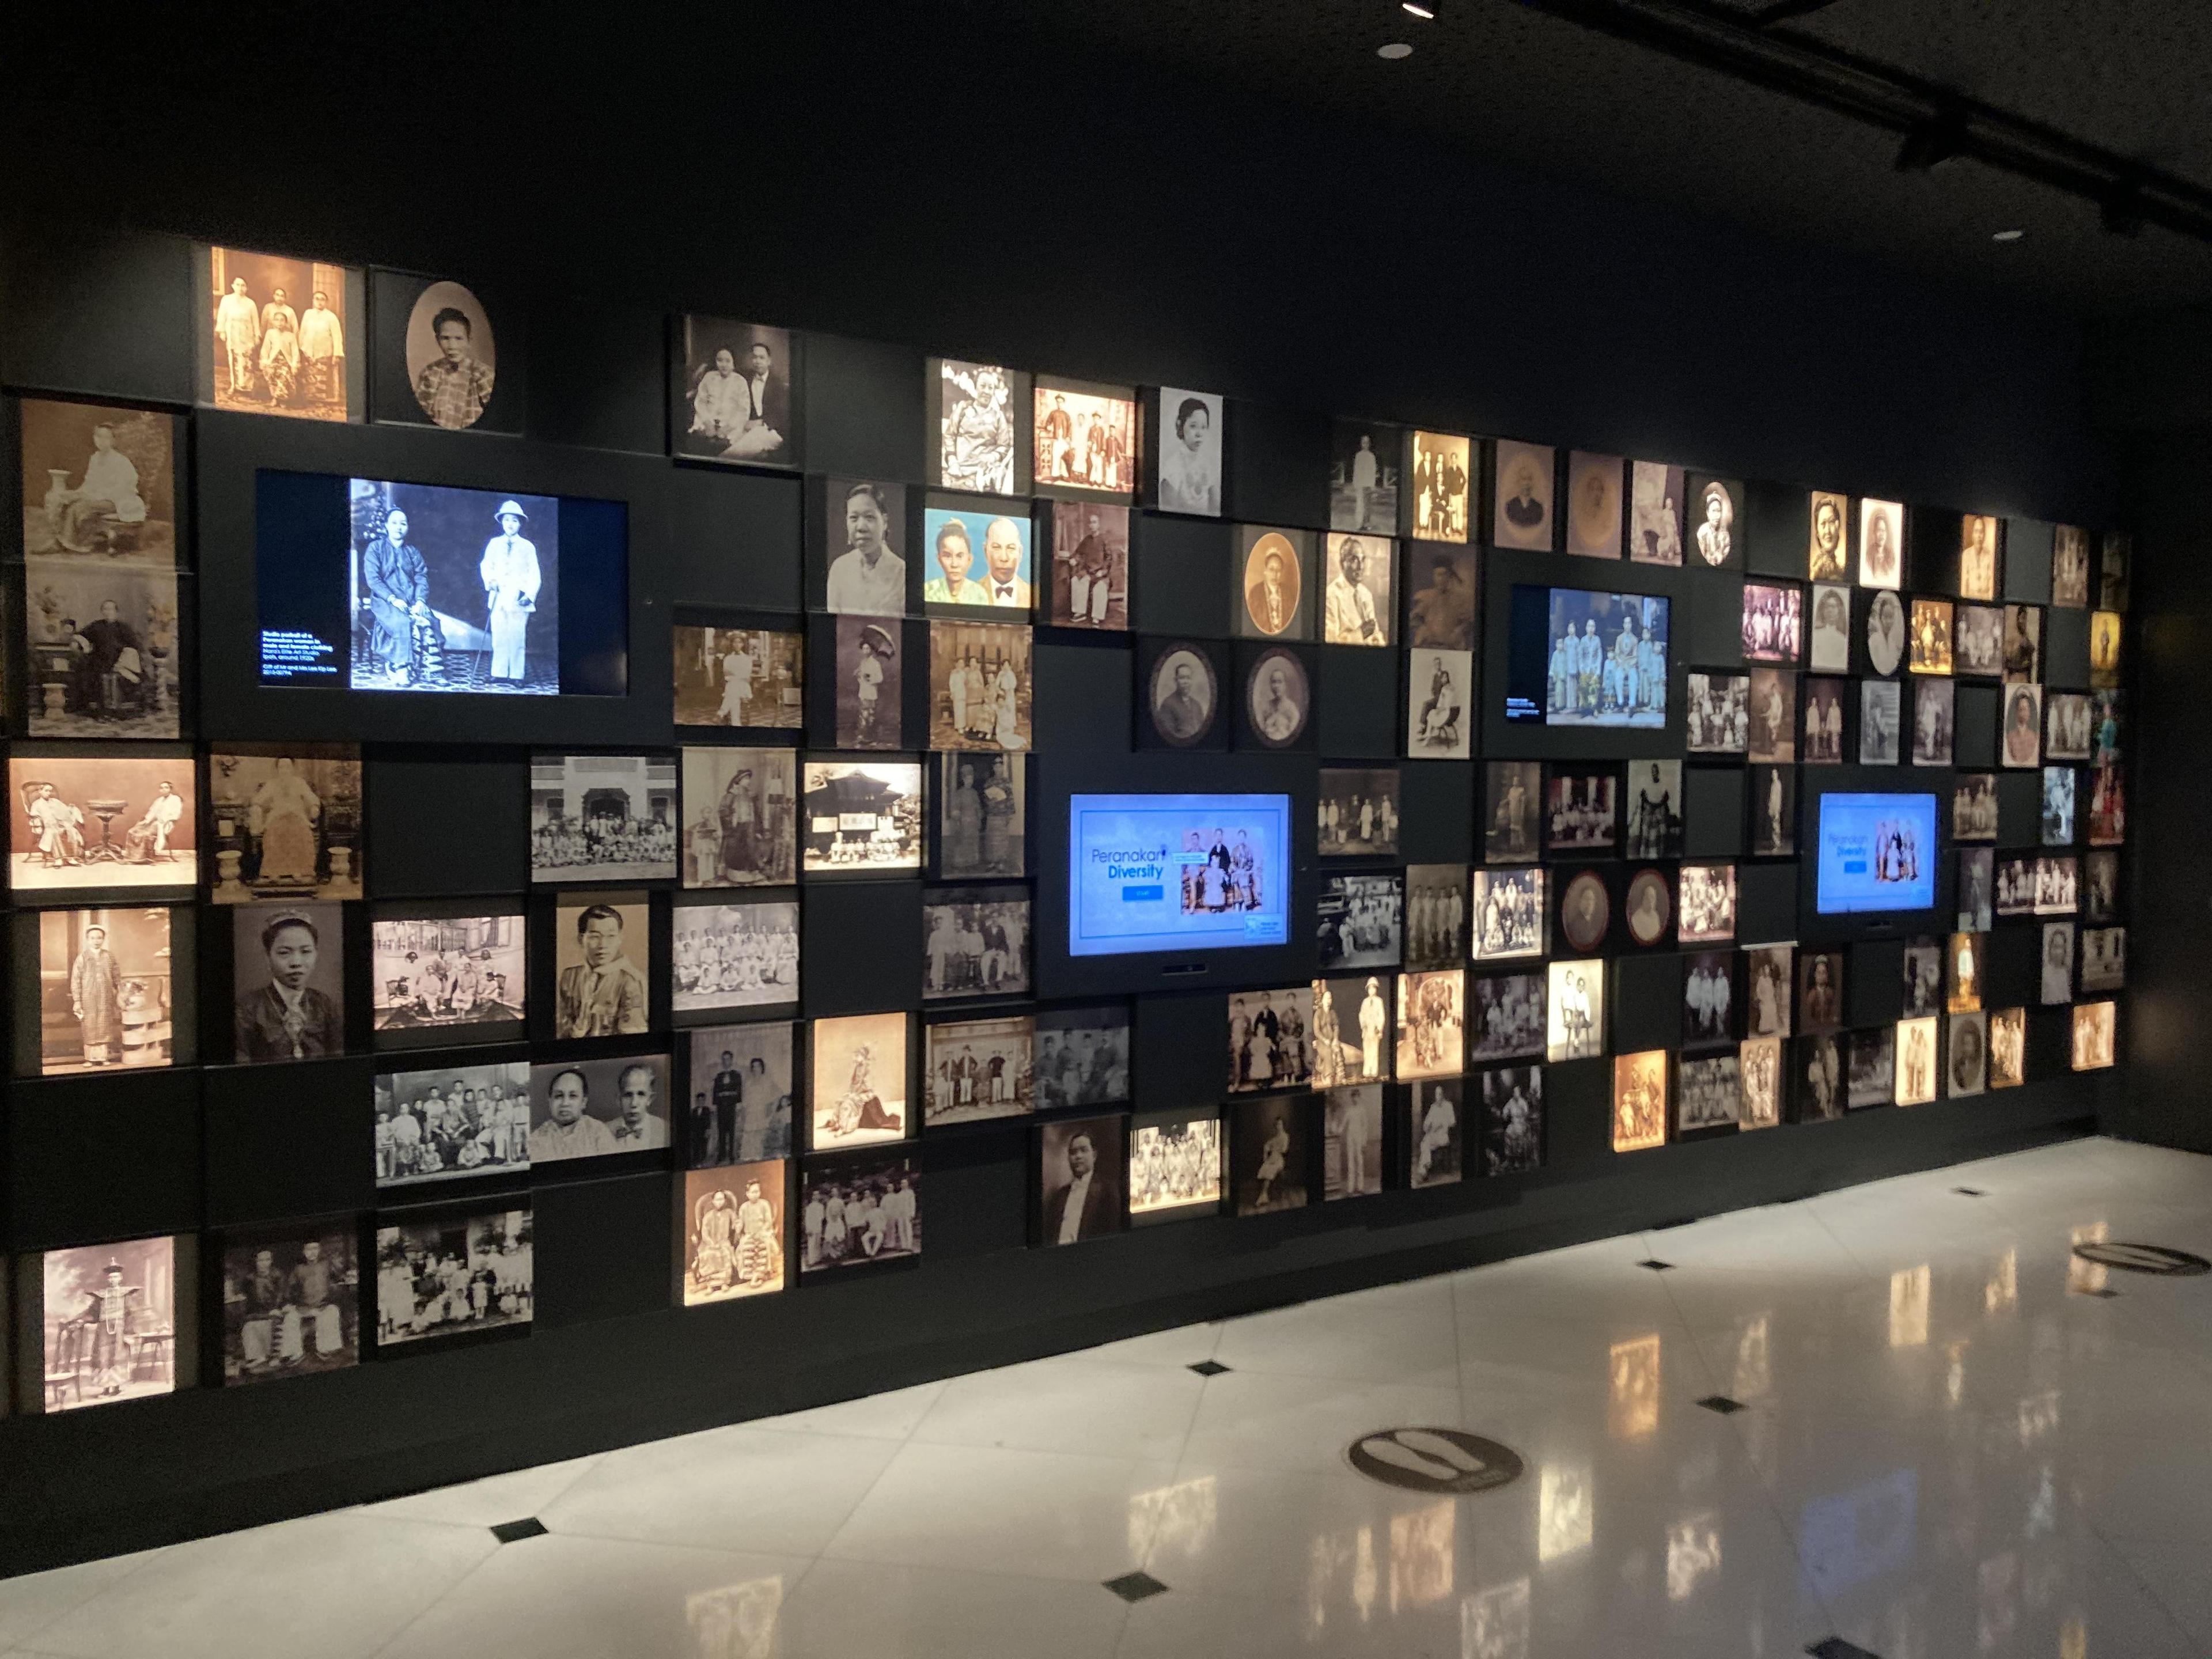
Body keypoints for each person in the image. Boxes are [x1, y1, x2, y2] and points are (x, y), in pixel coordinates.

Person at [235, 911, 344, 1063]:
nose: (296, 963)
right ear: (267, 957)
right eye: (284, 953)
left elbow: (340, 1060)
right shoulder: (247, 1009)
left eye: (306, 952)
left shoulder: (326, 1005)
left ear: (316, 955)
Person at [50, 423, 149, 552]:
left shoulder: (121, 461)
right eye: (98, 437)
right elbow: (89, 484)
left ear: (113, 441)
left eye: (106, 437)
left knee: (79, 507)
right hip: (99, 499)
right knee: (66, 502)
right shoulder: (95, 458)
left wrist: (93, 497)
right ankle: (61, 541)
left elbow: (125, 488)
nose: (101, 441)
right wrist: (76, 494)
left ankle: (76, 544)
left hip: (119, 501)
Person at [556, 903, 647, 1037]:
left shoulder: (631, 980)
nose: (603, 945)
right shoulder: (569, 977)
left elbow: (633, 1037)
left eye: (611, 936)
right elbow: (558, 1029)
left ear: (620, 939)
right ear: (581, 939)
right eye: (594, 936)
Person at [364, 509, 431, 679]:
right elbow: (373, 579)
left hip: (411, 599)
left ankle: (428, 668)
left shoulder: (412, 552)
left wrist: (420, 601)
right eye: (394, 523)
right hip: (384, 600)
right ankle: (400, 666)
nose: (398, 527)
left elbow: (421, 577)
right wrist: (393, 599)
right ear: (386, 526)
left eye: (403, 523)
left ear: (407, 527)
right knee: (401, 621)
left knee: (431, 621)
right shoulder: (376, 548)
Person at [480, 500, 540, 684]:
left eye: (514, 520)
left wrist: (529, 595)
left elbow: (535, 574)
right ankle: (498, 672)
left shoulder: (528, 547)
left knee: (516, 637)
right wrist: (490, 580)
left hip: (518, 599)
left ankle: (516, 675)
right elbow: (486, 565)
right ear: (502, 522)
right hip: (498, 598)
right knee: (499, 637)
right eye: (507, 520)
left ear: (520, 523)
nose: (510, 524)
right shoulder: (494, 544)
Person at [824, 482, 906, 615]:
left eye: (869, 517)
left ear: (884, 522)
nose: (861, 527)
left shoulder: (902, 573)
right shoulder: (839, 568)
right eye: (854, 518)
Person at [414, 305, 495, 429]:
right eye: (445, 338)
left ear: (469, 340)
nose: (452, 346)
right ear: (437, 340)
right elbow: (419, 419)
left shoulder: (483, 374)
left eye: (459, 338)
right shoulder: (430, 373)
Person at [1044, 1129, 1122, 1244]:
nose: (1078, 1156)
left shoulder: (1107, 1191)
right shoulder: (1059, 1196)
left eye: (1083, 1150)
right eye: (1073, 1152)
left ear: (1094, 1155)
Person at [75, 597, 145, 720]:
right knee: (96, 674)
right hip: (98, 660)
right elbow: (81, 636)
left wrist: (123, 660)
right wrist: (82, 644)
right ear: (102, 611)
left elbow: (134, 646)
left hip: (120, 661)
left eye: (111, 609)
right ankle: (102, 712)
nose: (108, 612)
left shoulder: (123, 627)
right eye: (105, 609)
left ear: (116, 612)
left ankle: (117, 711)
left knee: (126, 677)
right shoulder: (96, 626)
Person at [69, 923, 125, 1067]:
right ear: (88, 940)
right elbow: (76, 980)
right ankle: (89, 1059)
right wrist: (77, 1000)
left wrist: (120, 992)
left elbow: (117, 977)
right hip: (88, 997)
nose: (96, 941)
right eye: (93, 938)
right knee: (90, 1025)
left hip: (106, 997)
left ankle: (103, 1057)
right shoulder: (83, 957)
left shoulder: (109, 956)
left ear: (103, 939)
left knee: (104, 1025)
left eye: (99, 938)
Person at [533, 1066, 616, 1160]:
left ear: (583, 1102)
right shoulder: (538, 1138)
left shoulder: (598, 1132)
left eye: (573, 1096)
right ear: (550, 1102)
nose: (565, 1103)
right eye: (559, 1096)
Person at [1159, 395, 1218, 516]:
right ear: (1180, 425)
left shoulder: (1207, 465)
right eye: (1193, 426)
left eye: (1203, 427)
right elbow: (1168, 510)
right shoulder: (1173, 466)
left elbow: (1215, 506)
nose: (1199, 434)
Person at [1410, 553, 1472, 649]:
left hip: (1452, 647)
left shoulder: (1459, 599)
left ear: (1449, 577)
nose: (1442, 579)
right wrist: (1423, 630)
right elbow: (1414, 619)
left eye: (1445, 575)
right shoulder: (1424, 596)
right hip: (1427, 646)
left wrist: (1459, 631)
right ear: (1434, 576)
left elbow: (1468, 622)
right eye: (1439, 575)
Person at [922, 517, 990, 605]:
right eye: (947, 556)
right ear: (939, 559)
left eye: (960, 556)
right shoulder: (928, 590)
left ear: (969, 560)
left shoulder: (979, 594)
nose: (954, 564)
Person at [1325, 539, 1380, 644]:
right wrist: (1361, 634)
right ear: (1342, 563)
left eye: (1362, 560)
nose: (1361, 567)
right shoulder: (1331, 595)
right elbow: (1330, 640)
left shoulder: (1366, 594)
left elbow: (1375, 634)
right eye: (1354, 560)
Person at [215, 276, 262, 395]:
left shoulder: (251, 303)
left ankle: (248, 386)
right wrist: (222, 331)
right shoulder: (227, 300)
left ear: (247, 288)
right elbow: (222, 316)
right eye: (238, 285)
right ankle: (234, 385)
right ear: (233, 286)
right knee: (234, 359)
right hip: (233, 333)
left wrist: (257, 335)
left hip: (247, 334)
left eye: (243, 285)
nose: (240, 288)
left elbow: (255, 321)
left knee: (247, 360)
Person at [299, 289, 345, 405]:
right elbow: (303, 331)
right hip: (308, 351)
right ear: (313, 300)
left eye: (322, 299)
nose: (319, 302)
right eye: (317, 299)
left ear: (326, 302)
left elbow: (337, 336)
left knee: (321, 377)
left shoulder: (331, 317)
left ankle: (321, 400)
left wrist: (336, 354)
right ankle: (309, 399)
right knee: (309, 375)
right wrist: (300, 348)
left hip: (324, 352)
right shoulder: (308, 313)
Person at [124, 779, 185, 863]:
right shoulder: (159, 800)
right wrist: (146, 821)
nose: (164, 790)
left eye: (166, 788)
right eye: (162, 788)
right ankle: (134, 857)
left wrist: (165, 820)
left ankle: (146, 856)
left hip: (165, 824)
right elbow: (152, 813)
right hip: (153, 823)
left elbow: (177, 814)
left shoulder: (175, 799)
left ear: (170, 789)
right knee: (132, 831)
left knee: (146, 834)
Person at [609, 1062, 666, 1149]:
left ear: (650, 1099)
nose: (634, 1104)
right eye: (628, 1095)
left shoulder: (665, 1130)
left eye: (641, 1094)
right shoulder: (604, 1130)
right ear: (619, 1099)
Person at [1154, 657, 1209, 743]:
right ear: (1176, 680)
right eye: (1182, 678)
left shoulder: (1197, 705)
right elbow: (1168, 736)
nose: (1186, 682)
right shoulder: (1168, 704)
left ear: (1191, 681)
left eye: (1188, 678)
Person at [983, 516, 1030, 607]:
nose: (1004, 558)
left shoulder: (1031, 594)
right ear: (986, 551)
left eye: (1011, 548)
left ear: (1020, 553)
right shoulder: (971, 593)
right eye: (996, 547)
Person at [1246, 548, 1293, 635]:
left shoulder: (1287, 593)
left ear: (1282, 572)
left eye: (1278, 570)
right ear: (1265, 570)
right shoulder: (1255, 593)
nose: (1275, 574)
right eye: (1271, 569)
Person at [1253, 661, 1301, 743]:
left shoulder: (1292, 708)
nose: (1276, 686)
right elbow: (1260, 728)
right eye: (1274, 682)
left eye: (1280, 682)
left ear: (1286, 685)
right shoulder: (1266, 707)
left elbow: (1294, 734)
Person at [1695, 484, 1731, 566]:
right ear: (1708, 513)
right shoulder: (1702, 532)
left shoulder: (1725, 535)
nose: (1717, 515)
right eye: (1714, 511)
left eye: (1719, 511)